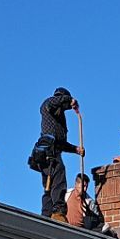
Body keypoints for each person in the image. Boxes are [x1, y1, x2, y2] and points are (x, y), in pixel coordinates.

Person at [28, 88, 82, 221]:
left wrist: (75, 149)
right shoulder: (48, 106)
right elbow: (49, 103)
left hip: (51, 150)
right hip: (47, 150)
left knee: (49, 183)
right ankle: (58, 211)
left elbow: (61, 143)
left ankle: (46, 214)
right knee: (59, 175)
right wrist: (70, 100)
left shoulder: (59, 119)